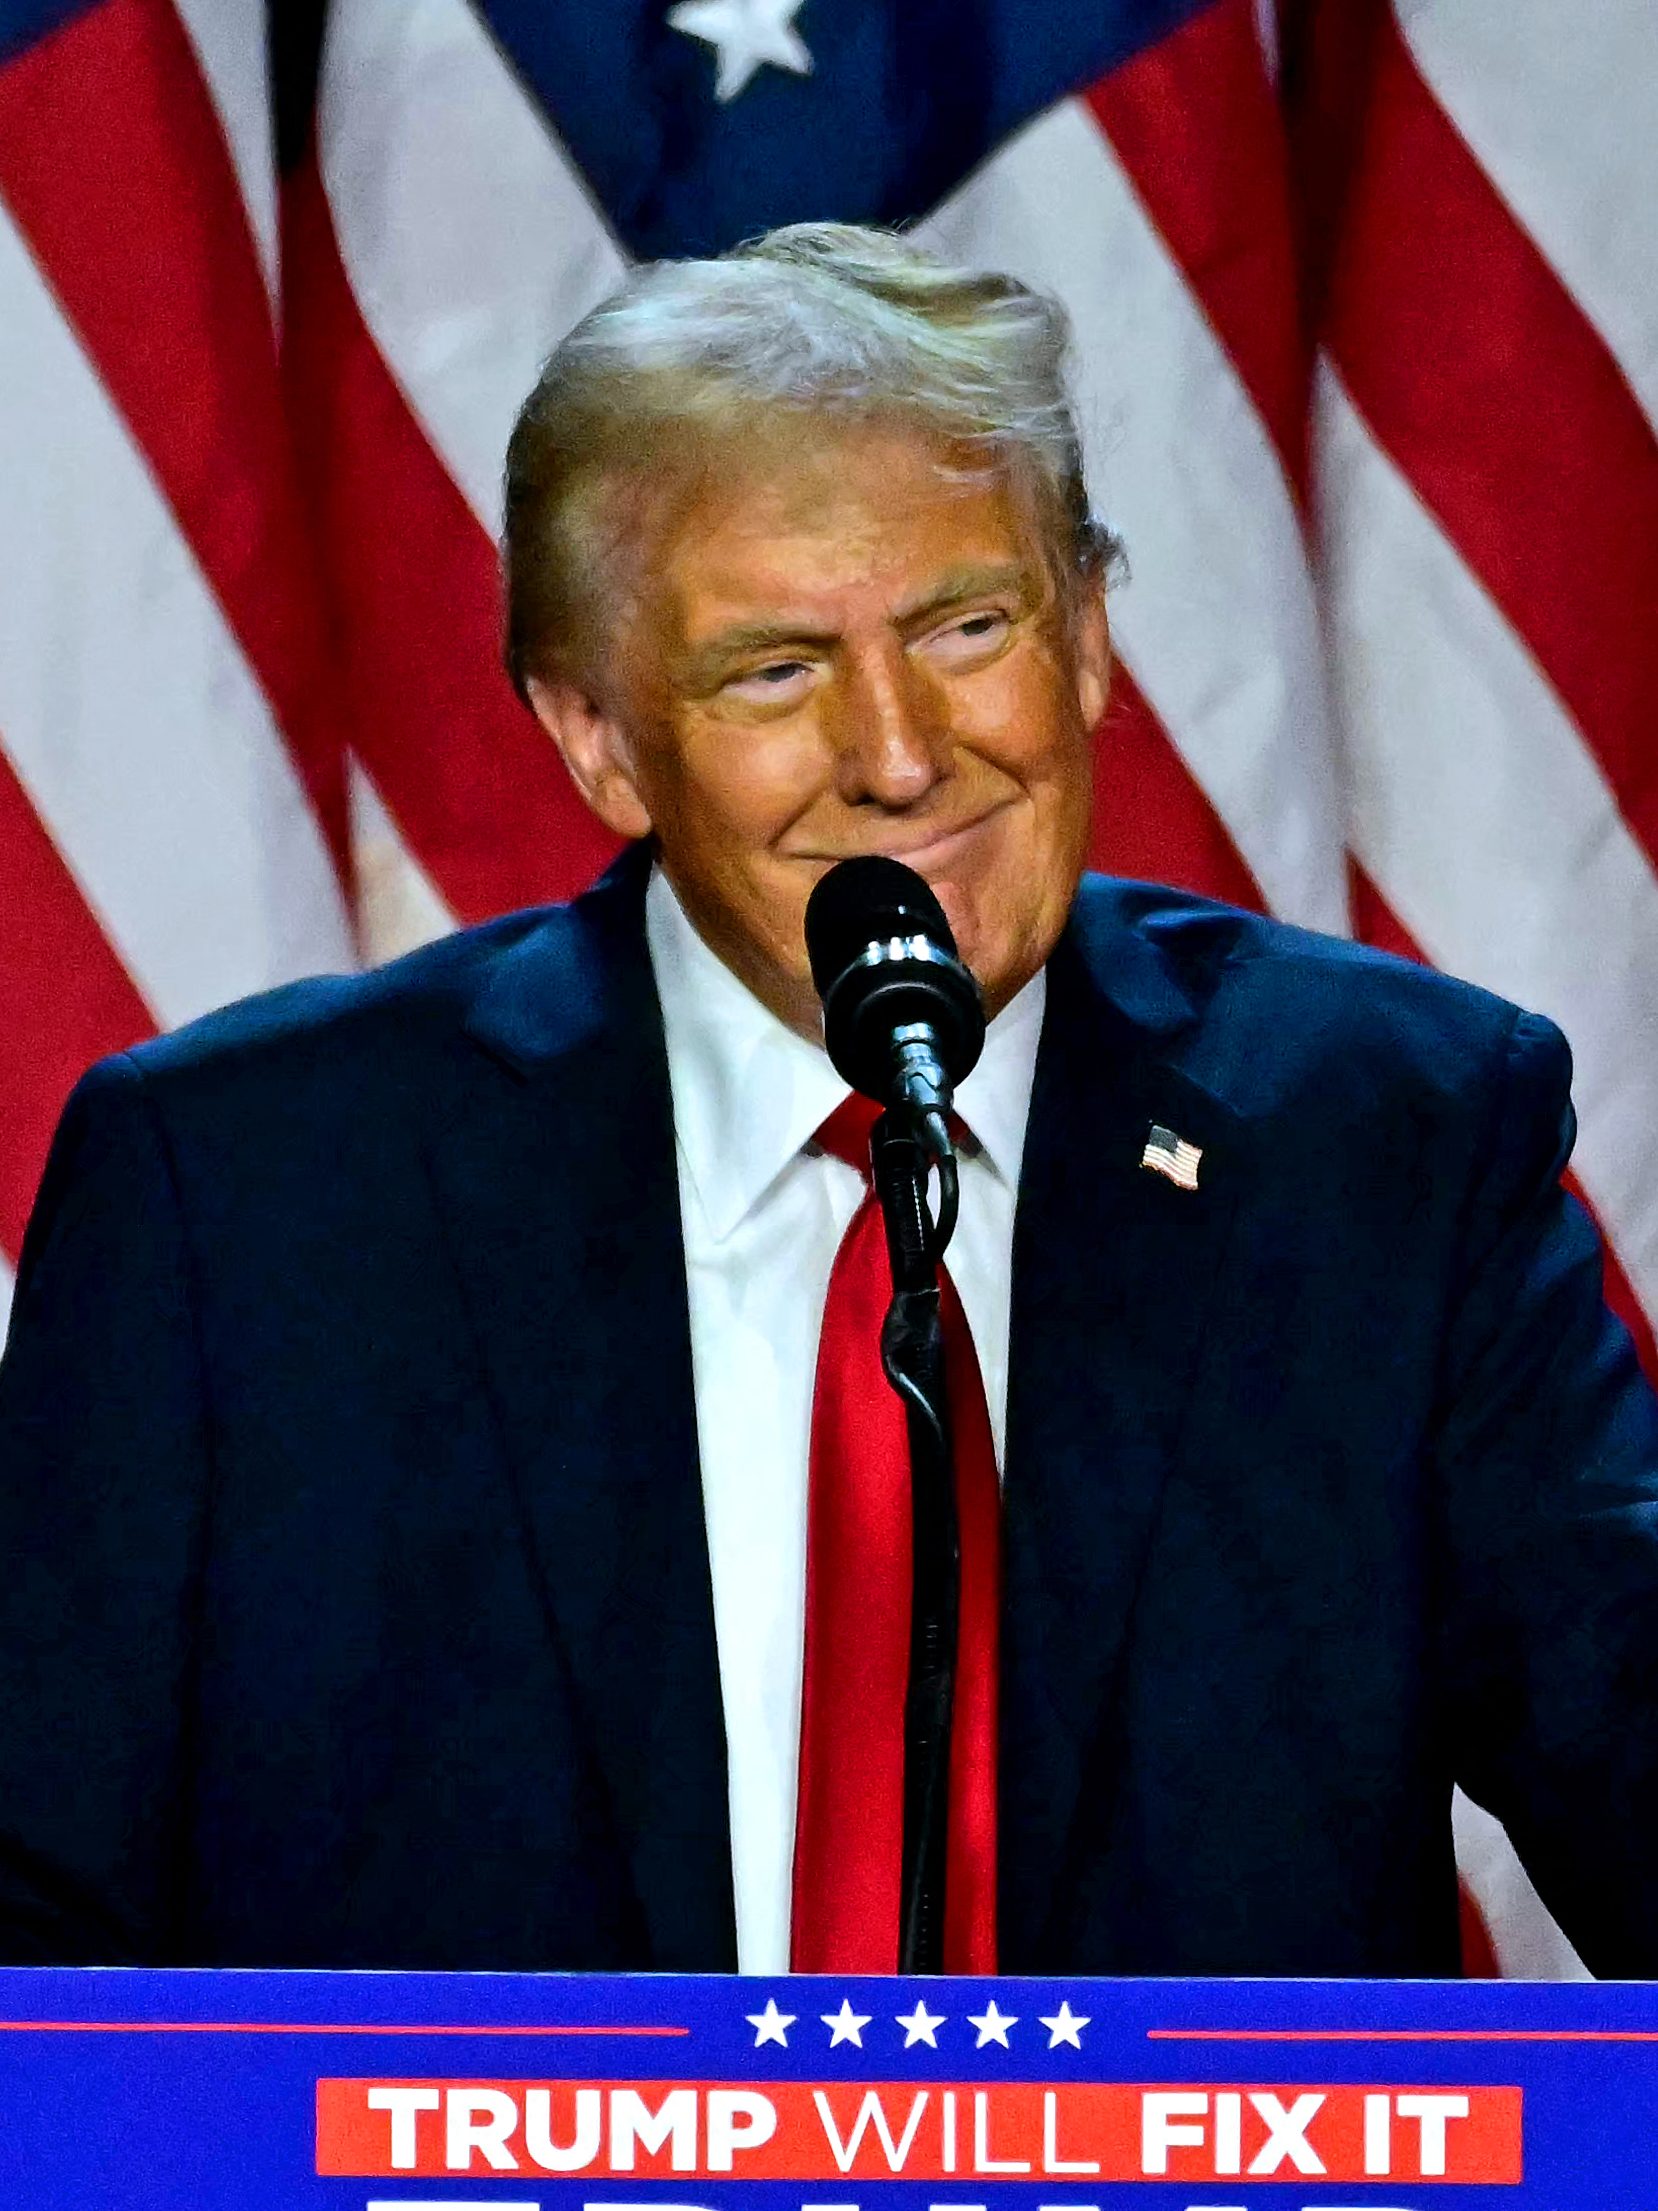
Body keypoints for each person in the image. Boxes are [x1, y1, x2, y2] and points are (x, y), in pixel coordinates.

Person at [1, 223, 1656, 1980]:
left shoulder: (1379, 1141)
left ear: (1088, 637)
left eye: (968, 624)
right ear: (598, 739)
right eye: (774, 669)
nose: (896, 751)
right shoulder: (248, 1201)